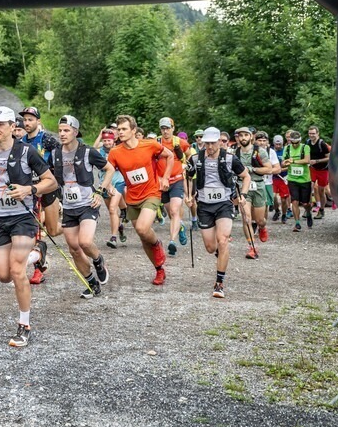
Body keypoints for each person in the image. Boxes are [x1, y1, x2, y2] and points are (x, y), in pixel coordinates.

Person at [0, 107, 58, 347]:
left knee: (17, 269)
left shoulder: (27, 151)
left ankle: (24, 325)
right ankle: (39, 252)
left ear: (13, 126)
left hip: (23, 217)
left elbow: (51, 182)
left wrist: (29, 189)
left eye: (1, 124)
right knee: (3, 275)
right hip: (1, 220)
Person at [105, 115, 174, 285]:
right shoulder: (115, 152)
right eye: (118, 129)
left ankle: (157, 244)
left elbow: (170, 156)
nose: (120, 132)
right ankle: (159, 269)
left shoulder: (149, 145)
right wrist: (106, 186)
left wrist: (165, 178)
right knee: (142, 237)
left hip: (151, 193)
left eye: (124, 129)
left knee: (143, 229)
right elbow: (108, 171)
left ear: (133, 131)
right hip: (132, 197)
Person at [185, 127, 252, 298]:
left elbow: (246, 176)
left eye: (212, 143)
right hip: (204, 205)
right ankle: (220, 254)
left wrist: (242, 195)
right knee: (210, 247)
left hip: (224, 204)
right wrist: (188, 195)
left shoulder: (230, 158)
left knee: (223, 241)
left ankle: (219, 283)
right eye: (206, 143)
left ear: (220, 142)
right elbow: (187, 176)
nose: (209, 146)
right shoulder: (195, 158)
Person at [53, 115, 113, 299]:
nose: (62, 134)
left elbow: (109, 169)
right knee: (74, 249)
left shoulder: (87, 151)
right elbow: (50, 178)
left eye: (66, 130)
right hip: (69, 207)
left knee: (85, 242)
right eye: (60, 130)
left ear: (75, 132)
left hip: (88, 204)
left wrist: (100, 191)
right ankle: (91, 282)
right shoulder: (56, 153)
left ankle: (98, 260)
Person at [19, 106, 63, 284]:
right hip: (30, 191)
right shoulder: (20, 141)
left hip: (49, 189)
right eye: (25, 120)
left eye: (30, 119)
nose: (27, 123)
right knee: (35, 232)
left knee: (52, 230)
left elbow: (60, 162)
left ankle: (72, 227)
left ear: (38, 121)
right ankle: (39, 269)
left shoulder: (48, 140)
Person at [233, 127, 274, 257]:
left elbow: (268, 169)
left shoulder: (260, 152)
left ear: (251, 137)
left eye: (246, 135)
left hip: (258, 186)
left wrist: (250, 169)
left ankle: (262, 227)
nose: (243, 138)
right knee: (246, 218)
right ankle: (252, 247)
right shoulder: (234, 153)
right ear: (238, 138)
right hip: (242, 187)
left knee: (260, 220)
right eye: (241, 135)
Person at [158, 117, 190, 257]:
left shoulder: (180, 142)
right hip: (162, 182)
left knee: (175, 210)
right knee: (170, 212)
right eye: (163, 128)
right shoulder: (156, 143)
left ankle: (172, 241)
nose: (165, 131)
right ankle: (180, 226)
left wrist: (186, 166)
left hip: (177, 180)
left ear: (173, 128)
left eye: (168, 128)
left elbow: (189, 155)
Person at [94, 128, 128, 249]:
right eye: (105, 140)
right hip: (104, 183)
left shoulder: (119, 150)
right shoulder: (99, 153)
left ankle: (113, 238)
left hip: (118, 181)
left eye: (109, 140)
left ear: (114, 141)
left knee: (113, 209)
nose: (107, 143)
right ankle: (120, 225)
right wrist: (108, 185)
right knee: (111, 210)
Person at [283, 129, 314, 231]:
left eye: (297, 142)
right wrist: (285, 163)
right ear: (290, 141)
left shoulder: (305, 147)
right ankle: (297, 223)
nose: (295, 145)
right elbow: (283, 162)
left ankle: (308, 213)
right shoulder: (287, 148)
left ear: (300, 141)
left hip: (305, 179)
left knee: (305, 203)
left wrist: (293, 161)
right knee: (295, 201)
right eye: (293, 142)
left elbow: (307, 160)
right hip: (292, 179)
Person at [306, 126, 332, 217]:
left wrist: (317, 161)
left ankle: (321, 210)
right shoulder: (308, 143)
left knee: (321, 191)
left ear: (317, 134)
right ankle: (307, 209)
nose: (311, 135)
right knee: (308, 188)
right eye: (310, 133)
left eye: (313, 133)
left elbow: (329, 158)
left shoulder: (322, 144)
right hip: (312, 169)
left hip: (323, 170)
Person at [270, 134, 290, 223]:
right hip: (273, 178)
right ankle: (277, 211)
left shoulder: (286, 151)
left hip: (283, 178)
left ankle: (284, 214)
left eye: (280, 144)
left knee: (283, 199)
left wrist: (280, 169)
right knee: (273, 196)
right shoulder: (270, 152)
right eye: (276, 144)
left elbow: (290, 166)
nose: (278, 146)